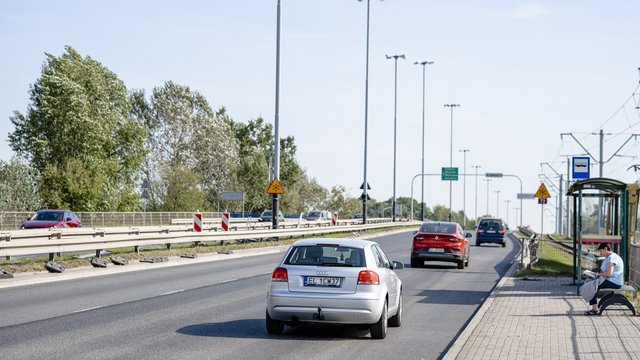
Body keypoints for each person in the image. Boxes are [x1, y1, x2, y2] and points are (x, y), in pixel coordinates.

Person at [585, 242, 624, 315]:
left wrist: (597, 275)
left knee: (591, 285)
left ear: (606, 249)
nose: (600, 253)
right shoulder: (608, 258)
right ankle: (594, 308)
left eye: (601, 251)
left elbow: (608, 274)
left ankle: (595, 309)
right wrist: (593, 275)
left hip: (614, 282)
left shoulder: (612, 258)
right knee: (589, 281)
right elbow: (603, 271)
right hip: (610, 280)